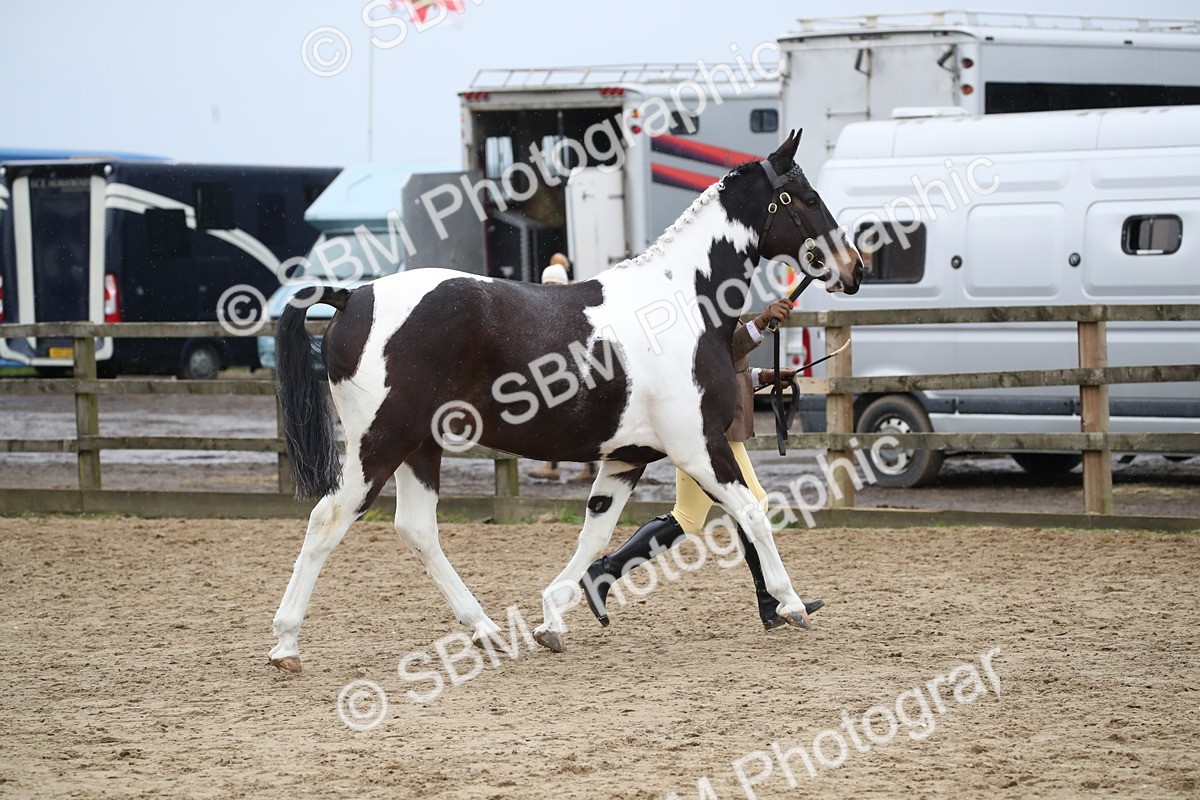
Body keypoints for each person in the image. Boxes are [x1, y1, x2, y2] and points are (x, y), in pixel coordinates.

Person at [581, 299, 824, 630]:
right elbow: (727, 349)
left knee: (688, 518)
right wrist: (763, 321)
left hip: (715, 433)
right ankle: (772, 601)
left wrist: (764, 376)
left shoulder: (717, 307)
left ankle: (603, 573)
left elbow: (729, 372)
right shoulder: (699, 312)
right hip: (705, 434)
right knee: (754, 504)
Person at [528, 254, 599, 482]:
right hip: (557, 369)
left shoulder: (570, 305)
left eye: (553, 284)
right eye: (546, 284)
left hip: (572, 370)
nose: (549, 288)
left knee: (580, 422)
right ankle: (554, 465)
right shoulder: (547, 304)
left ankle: (584, 469)